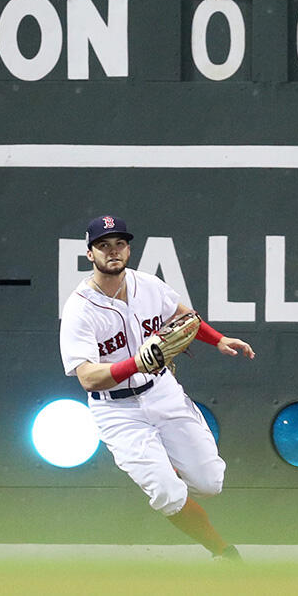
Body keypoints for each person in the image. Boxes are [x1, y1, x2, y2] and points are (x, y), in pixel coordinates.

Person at [59, 215, 255, 561]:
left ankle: (169, 464)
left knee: (210, 483)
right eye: (103, 245)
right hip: (117, 411)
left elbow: (184, 318)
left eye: (119, 243)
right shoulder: (79, 308)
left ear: (129, 248)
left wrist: (219, 339)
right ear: (90, 254)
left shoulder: (147, 285)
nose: (113, 251)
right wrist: (137, 362)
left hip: (161, 391)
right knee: (167, 494)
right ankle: (223, 553)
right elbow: (88, 377)